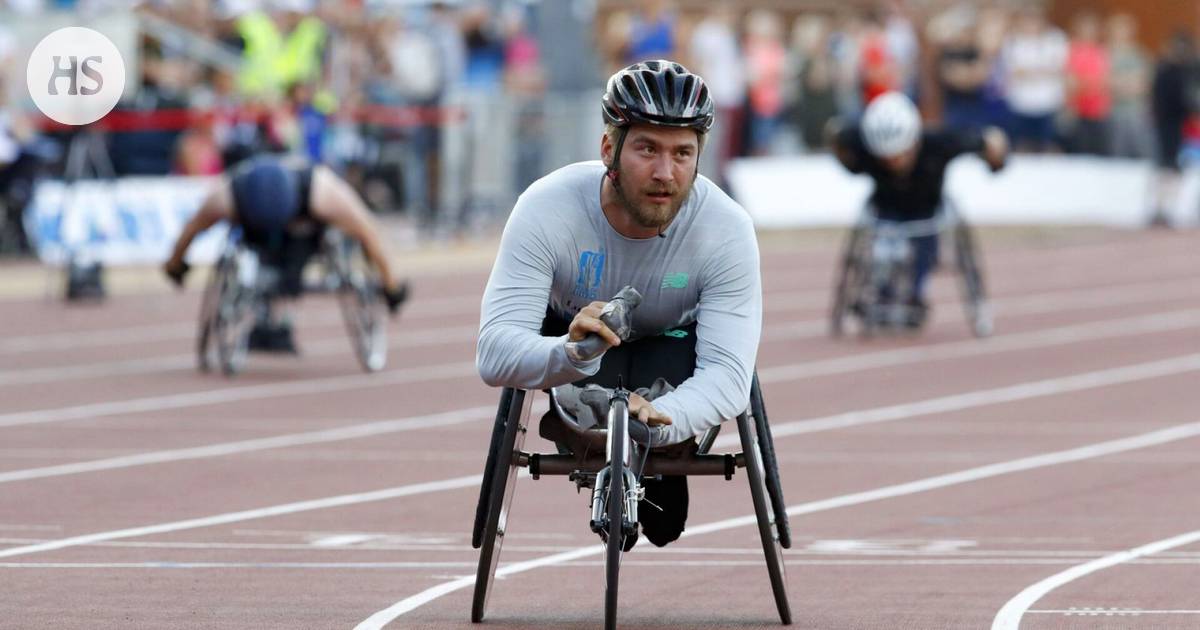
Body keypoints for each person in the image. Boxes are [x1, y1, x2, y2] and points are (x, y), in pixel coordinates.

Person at [476, 60, 762, 547]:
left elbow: (731, 376)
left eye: (682, 153)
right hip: (579, 353)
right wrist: (569, 351)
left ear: (699, 158)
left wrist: (663, 421)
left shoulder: (726, 230)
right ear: (609, 148)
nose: (664, 173)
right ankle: (605, 447)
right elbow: (495, 352)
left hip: (673, 356)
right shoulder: (547, 209)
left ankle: (655, 465)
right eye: (647, 149)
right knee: (590, 396)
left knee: (664, 525)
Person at [163, 153, 409, 351]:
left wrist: (391, 286)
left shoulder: (323, 191)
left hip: (304, 237)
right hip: (256, 238)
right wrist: (175, 265)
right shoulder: (226, 196)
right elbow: (190, 231)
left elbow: (370, 233)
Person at [827, 91, 1007, 327]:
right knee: (884, 248)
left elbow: (992, 139)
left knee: (921, 249)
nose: (895, 163)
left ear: (914, 139)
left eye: (901, 154)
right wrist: (846, 161)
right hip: (885, 210)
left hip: (927, 213)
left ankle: (913, 290)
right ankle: (882, 289)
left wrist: (996, 158)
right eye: (886, 157)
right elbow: (835, 134)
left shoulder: (939, 142)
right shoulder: (859, 140)